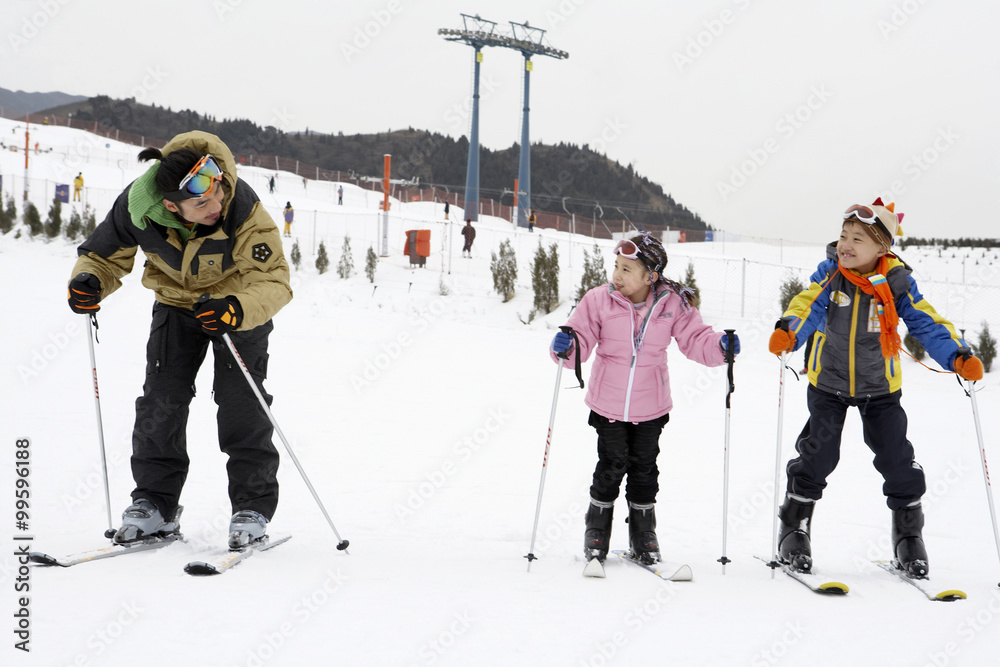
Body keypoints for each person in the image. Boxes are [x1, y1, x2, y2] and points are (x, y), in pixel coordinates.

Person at [67, 130, 292, 549]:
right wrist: (89, 280)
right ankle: (154, 504)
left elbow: (274, 280)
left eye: (217, 194)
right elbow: (101, 255)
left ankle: (252, 507)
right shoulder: (138, 208)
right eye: (201, 204)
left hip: (236, 309)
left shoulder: (241, 204)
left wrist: (235, 309)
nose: (216, 205)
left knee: (241, 401)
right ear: (171, 205)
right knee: (161, 400)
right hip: (175, 306)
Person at [768, 199, 983, 578]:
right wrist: (789, 331)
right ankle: (794, 528)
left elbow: (925, 321)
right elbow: (808, 305)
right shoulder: (831, 273)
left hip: (879, 387)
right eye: (843, 236)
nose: (846, 245)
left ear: (882, 249)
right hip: (829, 382)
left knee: (897, 460)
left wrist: (957, 356)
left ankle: (908, 537)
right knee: (818, 455)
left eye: (858, 239)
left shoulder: (897, 282)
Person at [551, 233, 739, 566]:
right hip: (607, 402)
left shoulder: (672, 304)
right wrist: (567, 345)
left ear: (650, 276)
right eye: (616, 267)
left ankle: (643, 532)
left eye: (627, 269)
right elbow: (580, 336)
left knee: (644, 469)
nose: (617, 276)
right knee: (611, 466)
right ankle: (597, 527)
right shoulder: (598, 300)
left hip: (651, 405)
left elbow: (695, 339)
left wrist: (719, 348)